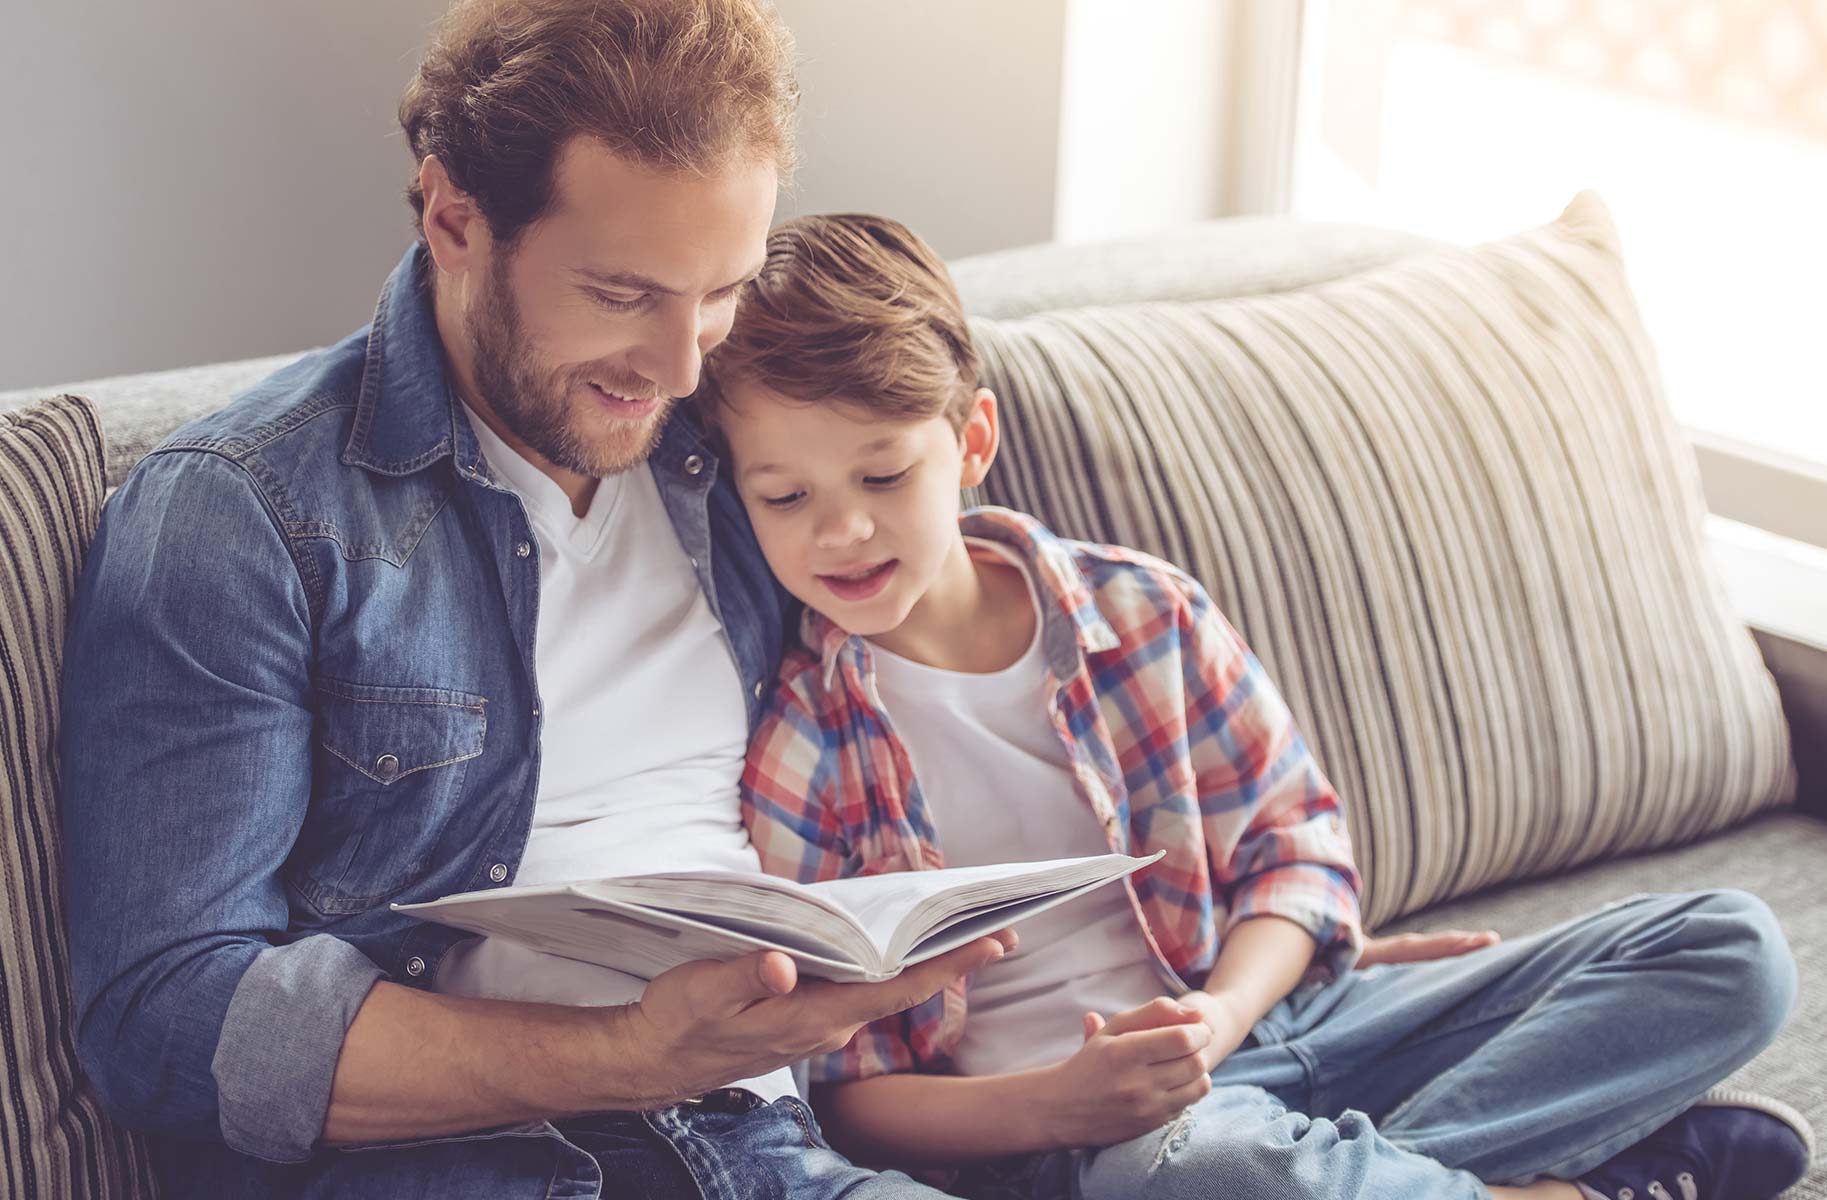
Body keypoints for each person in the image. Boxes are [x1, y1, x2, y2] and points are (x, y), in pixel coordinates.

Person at [56, 5, 1016, 1197]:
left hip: (769, 1148)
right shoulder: (241, 514)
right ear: (455, 217)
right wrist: (627, 1056)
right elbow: (166, 1015)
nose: (680, 369)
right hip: (464, 1167)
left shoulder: (739, 455)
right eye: (622, 294)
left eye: (720, 291)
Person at [707, 213, 1816, 1200]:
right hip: (1096, 1138)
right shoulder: (805, 756)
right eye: (786, 496)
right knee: (1203, 1166)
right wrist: (1062, 1106)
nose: (840, 531)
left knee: (1729, 947)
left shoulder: (1143, 613)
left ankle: (1385, 1176)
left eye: (883, 477)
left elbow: (1298, 858)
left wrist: (1228, 1011)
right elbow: (844, 1093)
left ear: (973, 444)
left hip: (1281, 1018)